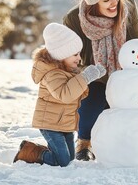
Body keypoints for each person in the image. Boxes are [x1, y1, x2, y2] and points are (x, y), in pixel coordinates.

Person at [63, 0, 138, 161]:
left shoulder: (128, 6)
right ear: (92, 3)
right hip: (93, 76)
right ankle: (84, 143)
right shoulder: (74, 20)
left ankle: (130, 143)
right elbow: (69, 60)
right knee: (90, 107)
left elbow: (136, 44)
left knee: (128, 109)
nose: (115, 2)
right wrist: (89, 73)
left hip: (124, 73)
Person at [13, 23, 106, 167]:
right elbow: (65, 94)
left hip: (64, 124)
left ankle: (47, 151)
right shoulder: (51, 74)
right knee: (61, 161)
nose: (79, 58)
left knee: (69, 159)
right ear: (61, 55)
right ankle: (29, 151)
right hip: (51, 125)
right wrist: (85, 77)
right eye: (75, 54)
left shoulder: (68, 70)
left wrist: (92, 75)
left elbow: (78, 93)